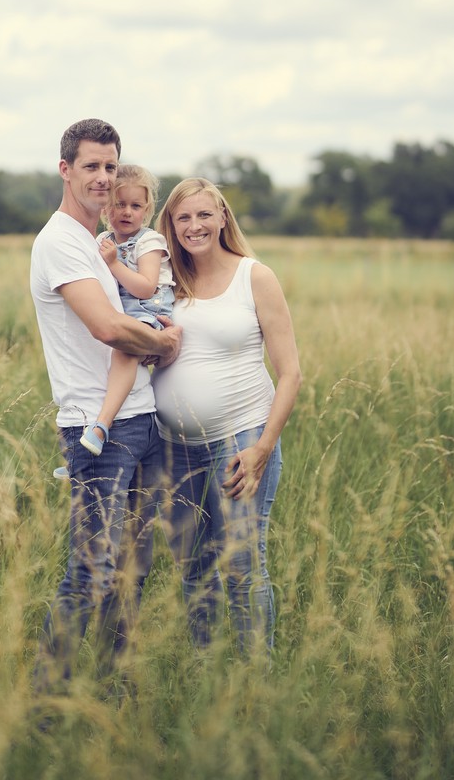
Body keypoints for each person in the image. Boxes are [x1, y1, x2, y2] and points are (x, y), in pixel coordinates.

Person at [29, 118, 182, 693]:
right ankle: (49, 705)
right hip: (99, 431)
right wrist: (165, 342)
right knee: (91, 571)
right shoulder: (60, 242)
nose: (102, 177)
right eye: (90, 166)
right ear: (65, 169)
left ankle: (115, 693)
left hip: (141, 420)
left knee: (131, 572)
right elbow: (107, 326)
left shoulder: (104, 243)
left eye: (110, 166)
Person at [153, 177, 302, 654]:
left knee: (241, 566)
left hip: (240, 439)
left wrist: (261, 449)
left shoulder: (253, 276)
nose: (194, 226)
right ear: (171, 226)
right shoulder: (164, 281)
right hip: (175, 449)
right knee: (193, 569)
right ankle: (204, 672)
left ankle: (255, 685)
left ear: (222, 218)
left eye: (203, 215)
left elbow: (291, 373)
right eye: (183, 218)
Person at [79, 164, 175, 456]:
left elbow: (146, 286)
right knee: (94, 369)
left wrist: (114, 263)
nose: (127, 212)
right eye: (119, 204)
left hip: (149, 311)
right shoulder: (102, 241)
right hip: (121, 313)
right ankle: (81, 451)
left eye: (135, 206)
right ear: (106, 206)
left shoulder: (149, 241)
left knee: (124, 350)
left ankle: (101, 427)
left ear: (146, 210)